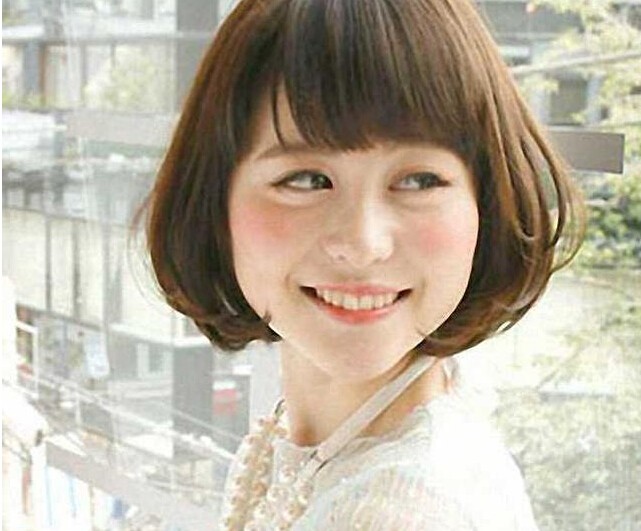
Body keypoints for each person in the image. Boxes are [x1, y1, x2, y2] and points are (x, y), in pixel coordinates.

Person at [137, 0, 586, 528]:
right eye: (307, 180)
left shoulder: (403, 508)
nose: (363, 243)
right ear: (215, 200)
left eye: (418, 180)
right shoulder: (323, 443)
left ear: (486, 202)